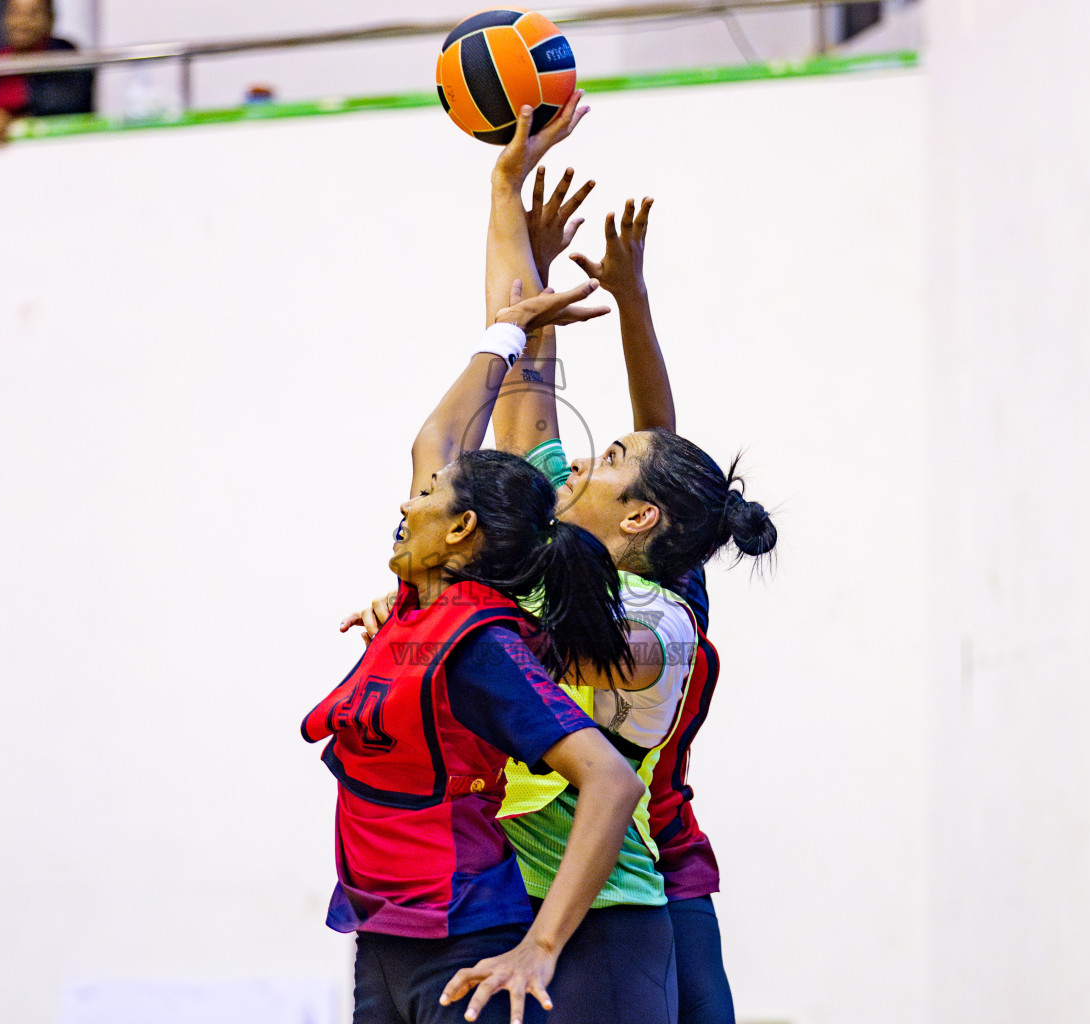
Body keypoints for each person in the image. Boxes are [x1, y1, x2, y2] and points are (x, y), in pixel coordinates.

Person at [355, 106, 774, 1024]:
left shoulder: (655, 614)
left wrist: (425, 605)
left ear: (640, 514)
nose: (579, 460)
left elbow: (523, 642)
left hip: (632, 888)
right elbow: (525, 374)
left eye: (608, 459)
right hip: (525, 891)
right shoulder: (553, 544)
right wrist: (505, 197)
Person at [309, 92, 651, 1024]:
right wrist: (505, 188)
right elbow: (461, 419)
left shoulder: (498, 630)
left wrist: (539, 946)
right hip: (392, 928)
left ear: (461, 531)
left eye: (427, 496)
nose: (411, 494)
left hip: (532, 917)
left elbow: (612, 780)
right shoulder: (432, 593)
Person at [0, 0, 94, 143]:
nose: (22, 22)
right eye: (15, 13)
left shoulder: (63, 55)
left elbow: (68, 102)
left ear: (50, 20)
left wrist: (10, 119)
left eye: (34, 14)